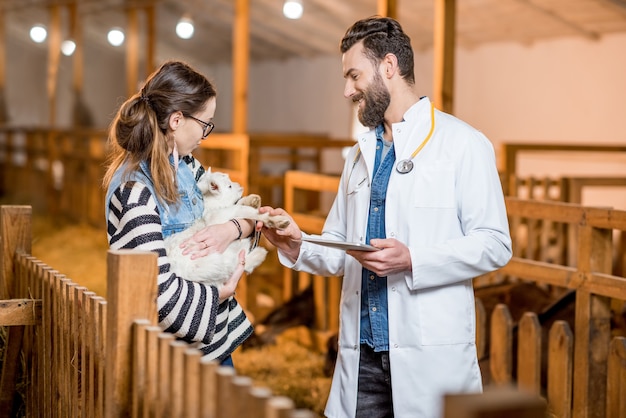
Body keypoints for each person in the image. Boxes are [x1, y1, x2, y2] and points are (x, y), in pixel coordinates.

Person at [260, 16, 512, 418]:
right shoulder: (359, 155)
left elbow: (495, 244)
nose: (347, 90)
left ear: (389, 67)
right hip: (361, 362)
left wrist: (413, 259)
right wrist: (297, 243)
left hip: (429, 360)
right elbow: (343, 247)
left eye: (354, 75)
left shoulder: (463, 144)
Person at [103, 60, 256, 365]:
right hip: (174, 358)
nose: (205, 134)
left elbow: (248, 215)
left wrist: (234, 229)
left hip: (213, 344)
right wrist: (221, 293)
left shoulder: (187, 167)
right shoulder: (134, 189)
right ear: (176, 120)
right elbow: (156, 293)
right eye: (205, 123)